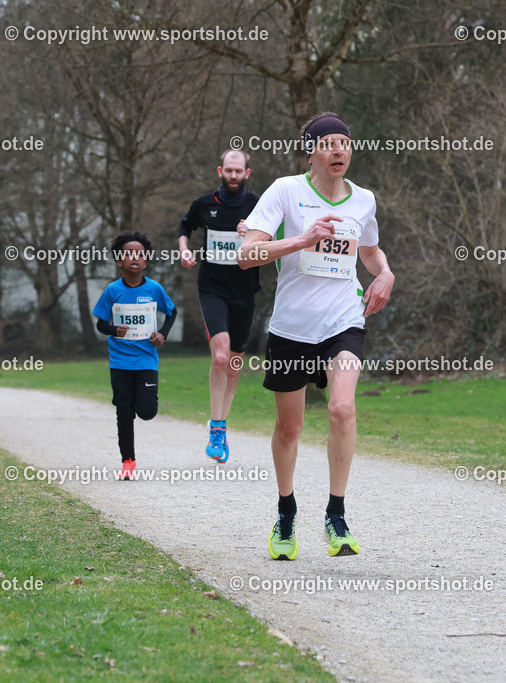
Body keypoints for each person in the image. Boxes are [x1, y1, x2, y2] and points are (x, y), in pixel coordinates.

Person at [239, 112, 394, 560]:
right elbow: (247, 255)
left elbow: (368, 249)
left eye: (344, 142)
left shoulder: (363, 199)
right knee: (290, 428)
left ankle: (336, 514)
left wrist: (384, 274)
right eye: (327, 143)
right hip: (291, 328)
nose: (338, 149)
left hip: (343, 320)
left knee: (343, 408)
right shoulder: (285, 191)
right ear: (310, 151)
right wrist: (300, 240)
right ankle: (286, 512)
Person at [178, 150, 261, 463]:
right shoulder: (205, 204)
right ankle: (215, 428)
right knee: (221, 355)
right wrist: (184, 251)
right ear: (220, 171)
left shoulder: (257, 205)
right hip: (212, 289)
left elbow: (275, 238)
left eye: (239, 171)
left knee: (235, 364)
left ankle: (223, 425)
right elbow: (184, 227)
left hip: (245, 290)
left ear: (247, 173)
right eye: (229, 170)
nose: (234, 175)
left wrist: (251, 234)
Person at [93, 231, 177, 481]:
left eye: (139, 254)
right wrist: (113, 329)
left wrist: (162, 334)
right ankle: (128, 461)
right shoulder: (112, 291)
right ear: (119, 261)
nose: (134, 258)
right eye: (128, 254)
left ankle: (143, 412)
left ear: (145, 261)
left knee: (147, 411)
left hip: (146, 361)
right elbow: (100, 324)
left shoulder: (154, 289)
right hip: (119, 362)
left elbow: (172, 313)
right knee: (124, 412)